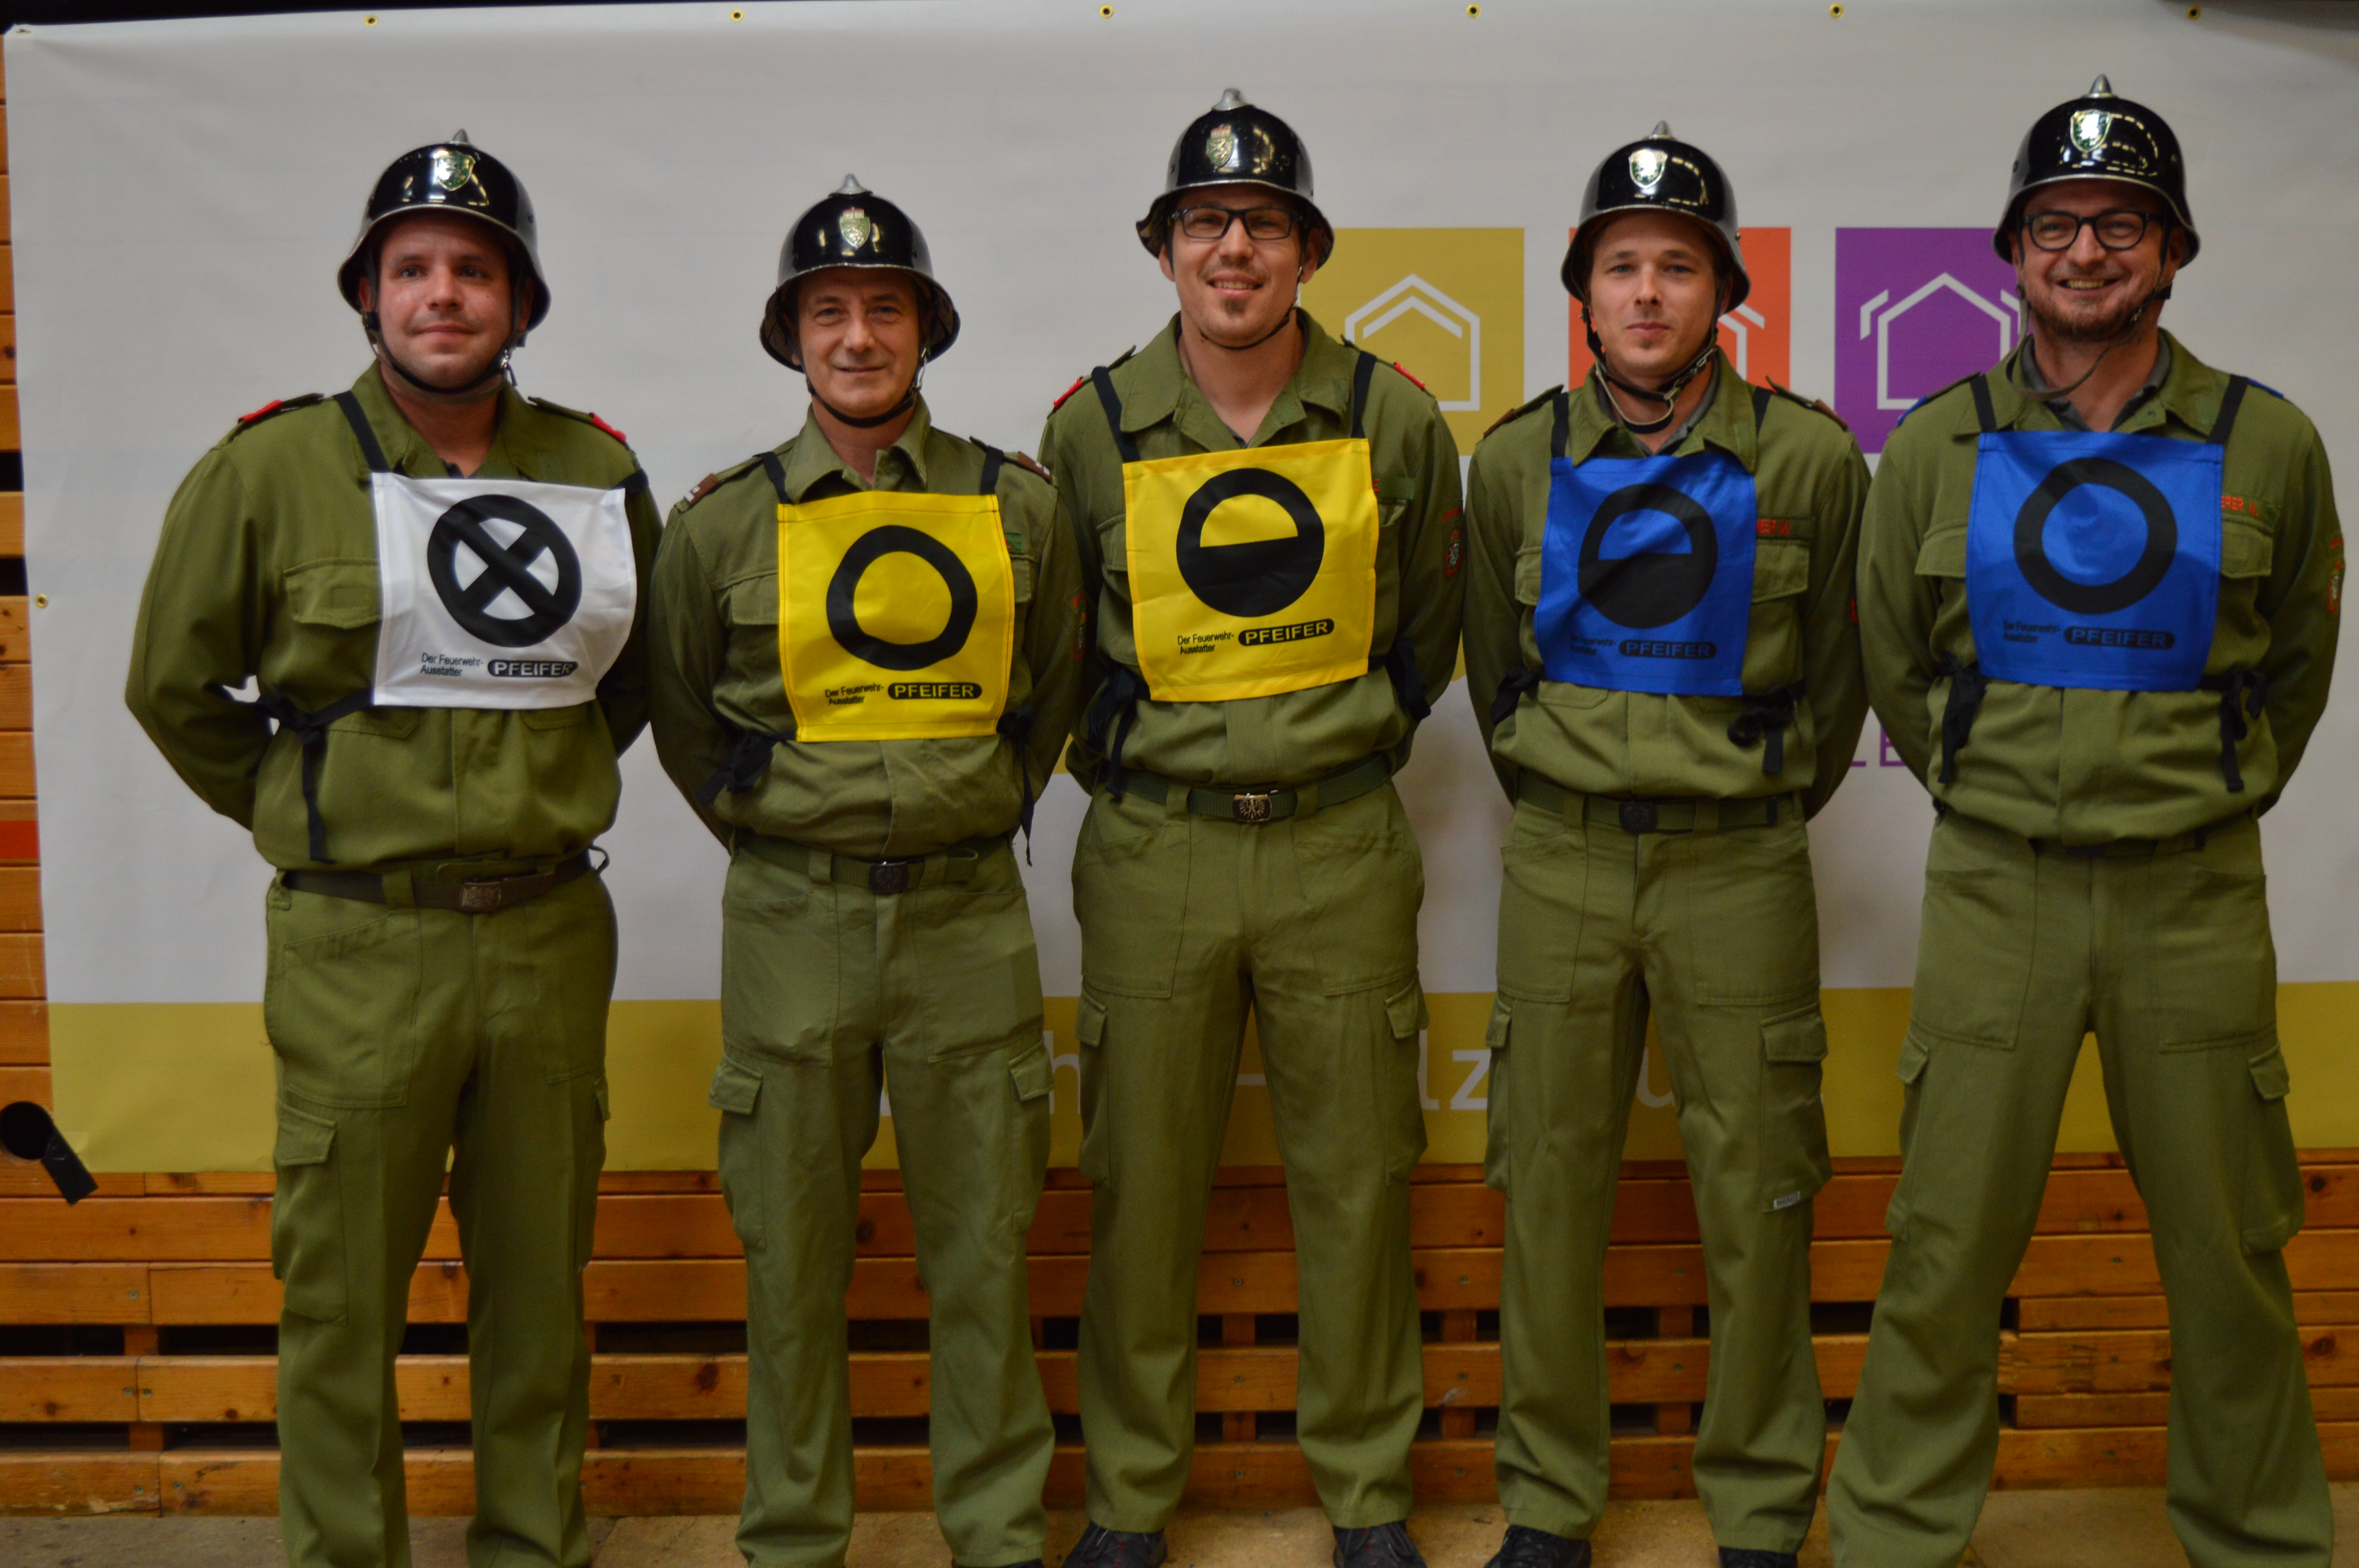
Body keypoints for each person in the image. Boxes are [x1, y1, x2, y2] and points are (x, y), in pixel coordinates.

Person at [125, 133, 659, 1567]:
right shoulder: (270, 469)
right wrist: (308, 802)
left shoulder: (596, 470)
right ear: (366, 293)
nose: (443, 295)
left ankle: (534, 1547)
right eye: (412, 267)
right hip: (358, 943)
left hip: (548, 935)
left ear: (522, 303)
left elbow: (631, 681)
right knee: (342, 1295)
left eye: (476, 270)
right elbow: (172, 687)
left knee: (537, 1284)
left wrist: (532, 781)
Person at [1829, 78, 2341, 1568]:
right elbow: (1896, 661)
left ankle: (2259, 1541)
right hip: (2000, 890)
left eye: (2124, 223)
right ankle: (1896, 1538)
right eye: (2056, 223)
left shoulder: (2269, 443)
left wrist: (2197, 796)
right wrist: (1997, 787)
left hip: (2195, 896)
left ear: (2174, 251)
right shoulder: (1939, 444)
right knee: (1945, 1237)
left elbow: (2297, 668)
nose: (2088, 252)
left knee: (2232, 1248)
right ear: (2012, 250)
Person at [1037, 89, 1465, 1568]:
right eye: (1206, 223)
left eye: (1265, 224)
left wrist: (1321, 748)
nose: (1235, 249)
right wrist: (1163, 769)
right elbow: (1061, 655)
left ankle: (1367, 1497)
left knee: (1359, 1183)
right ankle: (1128, 1502)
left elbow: (1428, 638)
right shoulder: (1092, 427)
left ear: (1307, 251)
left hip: (1339, 844)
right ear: (1164, 249)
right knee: (1142, 1189)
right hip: (1155, 849)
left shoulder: (1392, 417)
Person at [648, 176, 1084, 1568]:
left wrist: (963, 807)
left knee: (986, 1250)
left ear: (924, 330)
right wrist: (790, 830)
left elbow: (1051, 698)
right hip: (793, 916)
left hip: (968, 915)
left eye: (884, 308)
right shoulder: (718, 528)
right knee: (790, 1258)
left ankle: (998, 1536)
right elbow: (683, 722)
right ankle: (793, 1540)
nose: (856, 336)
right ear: (791, 335)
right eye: (827, 310)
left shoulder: (1015, 510)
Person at [1460, 123, 1869, 1568]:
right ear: (1583, 289)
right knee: (1547, 1185)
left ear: (1725, 293)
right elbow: (1495, 678)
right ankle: (1548, 1505)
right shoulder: (1515, 463)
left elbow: (1838, 688)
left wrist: (1738, 801)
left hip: (1739, 863)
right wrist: (1578, 792)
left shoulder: (1809, 457)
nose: (1647, 293)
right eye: (1621, 264)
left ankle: (1759, 1511)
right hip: (1564, 860)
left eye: (1679, 267)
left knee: (1761, 1190)